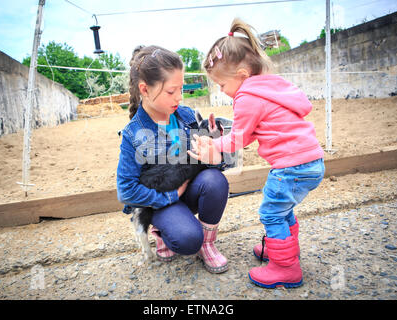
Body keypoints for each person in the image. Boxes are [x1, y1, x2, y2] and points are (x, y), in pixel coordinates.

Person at [188, 19, 325, 288]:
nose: (221, 91)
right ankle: (282, 251)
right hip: (311, 161)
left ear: (241, 74)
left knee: (271, 212)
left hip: (290, 167)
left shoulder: (247, 96)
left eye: (221, 84)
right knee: (282, 209)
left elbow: (239, 138)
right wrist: (222, 136)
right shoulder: (271, 87)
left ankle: (285, 268)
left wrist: (214, 145)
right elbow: (250, 134)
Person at [117, 45, 229, 273]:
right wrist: (169, 196)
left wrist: (214, 151)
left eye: (181, 89)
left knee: (215, 180)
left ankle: (207, 244)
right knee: (187, 240)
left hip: (187, 190)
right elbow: (126, 191)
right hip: (160, 201)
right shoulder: (133, 134)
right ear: (145, 90)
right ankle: (164, 230)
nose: (178, 97)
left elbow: (208, 162)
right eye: (171, 91)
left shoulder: (186, 116)